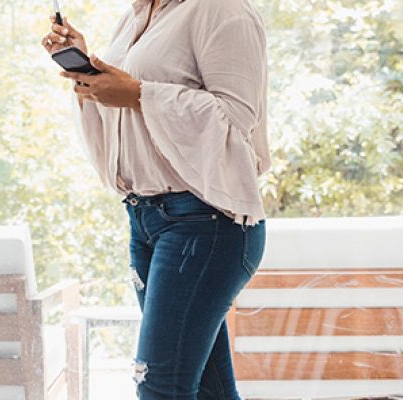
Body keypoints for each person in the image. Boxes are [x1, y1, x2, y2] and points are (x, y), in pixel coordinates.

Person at [41, 0, 270, 398]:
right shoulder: (133, 18)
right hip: (146, 219)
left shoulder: (223, 9)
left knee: (160, 388)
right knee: (207, 391)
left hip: (206, 222)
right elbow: (125, 112)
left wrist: (139, 94)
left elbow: (237, 119)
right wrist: (89, 75)